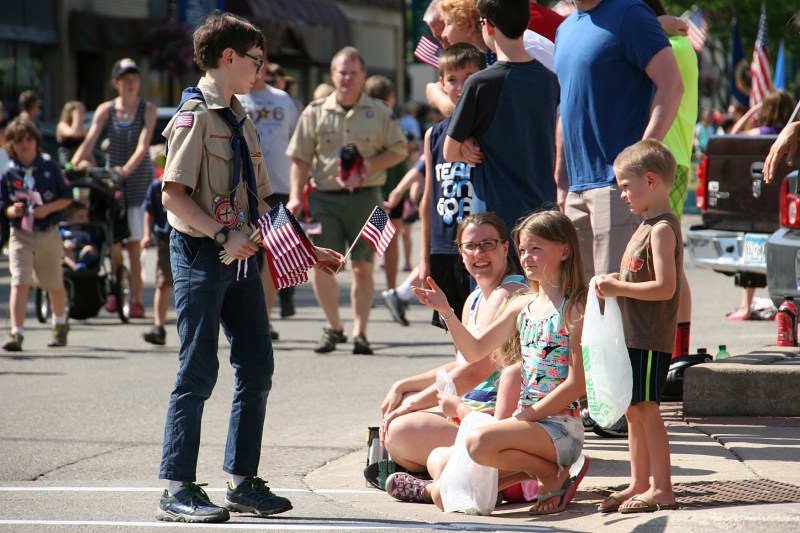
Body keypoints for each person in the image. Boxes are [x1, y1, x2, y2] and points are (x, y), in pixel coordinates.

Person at [155, 11, 343, 523]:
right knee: (198, 370)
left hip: (241, 258)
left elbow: (263, 201)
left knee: (257, 365)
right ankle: (176, 487)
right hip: (201, 254)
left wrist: (305, 249)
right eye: (255, 60)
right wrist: (222, 235)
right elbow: (173, 196)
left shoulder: (241, 117)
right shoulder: (195, 117)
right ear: (228, 57)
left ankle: (242, 482)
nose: (260, 69)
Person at [408, 210, 590, 515]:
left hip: (561, 428)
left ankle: (550, 473)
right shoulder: (521, 305)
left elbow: (576, 383)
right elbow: (475, 350)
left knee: (478, 443)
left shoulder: (575, 307)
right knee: (444, 491)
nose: (526, 257)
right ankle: (538, 474)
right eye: (523, 249)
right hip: (525, 426)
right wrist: (446, 311)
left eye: (536, 248)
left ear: (564, 250)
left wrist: (524, 417)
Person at [379, 212, 528, 485]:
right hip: (468, 410)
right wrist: (404, 386)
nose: (478, 253)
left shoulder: (508, 293)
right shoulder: (474, 298)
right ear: (460, 253)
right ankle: (444, 473)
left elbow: (476, 370)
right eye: (470, 246)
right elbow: (459, 365)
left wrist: (413, 404)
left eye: (488, 244)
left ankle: (453, 477)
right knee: (401, 404)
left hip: (494, 419)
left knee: (400, 429)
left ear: (505, 247)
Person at [286, 46, 407, 355]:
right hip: (324, 199)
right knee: (322, 264)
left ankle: (360, 332)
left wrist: (370, 165)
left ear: (363, 76)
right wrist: (295, 197)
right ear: (333, 74)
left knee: (363, 267)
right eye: (342, 72)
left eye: (354, 73)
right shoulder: (314, 111)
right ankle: (334, 327)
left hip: (366, 198)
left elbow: (399, 149)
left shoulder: (380, 111)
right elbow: (300, 157)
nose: (348, 78)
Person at [554, 0, 683, 281]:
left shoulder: (631, 14)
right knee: (582, 298)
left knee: (618, 297)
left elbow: (672, 85)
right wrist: (561, 179)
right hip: (576, 188)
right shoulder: (565, 29)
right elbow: (566, 107)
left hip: (617, 188)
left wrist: (640, 159)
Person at [594, 139, 681, 513]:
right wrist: (618, 279)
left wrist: (618, 288)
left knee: (646, 408)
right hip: (632, 335)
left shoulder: (661, 229)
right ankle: (639, 481)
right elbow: (641, 276)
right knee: (632, 409)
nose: (622, 194)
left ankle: (662, 488)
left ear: (651, 180)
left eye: (626, 186)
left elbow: (665, 288)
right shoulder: (644, 225)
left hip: (648, 337)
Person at [444, 0, 559, 248]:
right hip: (543, 212)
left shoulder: (480, 83)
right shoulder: (550, 80)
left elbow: (449, 152)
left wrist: (468, 140)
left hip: (493, 219)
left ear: (487, 26)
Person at [71, 58, 157, 319]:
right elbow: (90, 139)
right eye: (125, 79)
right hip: (112, 185)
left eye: (134, 78)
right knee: (113, 243)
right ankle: (117, 292)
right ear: (116, 82)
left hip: (137, 184)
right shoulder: (106, 110)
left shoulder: (147, 109)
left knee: (134, 245)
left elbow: (143, 145)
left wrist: (126, 170)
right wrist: (72, 165)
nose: (131, 83)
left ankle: (137, 299)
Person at [238, 58, 301, 328]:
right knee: (248, 254)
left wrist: (299, 187)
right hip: (244, 190)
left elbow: (297, 142)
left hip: (280, 188)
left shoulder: (283, 99)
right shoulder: (236, 99)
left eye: (260, 64)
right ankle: (250, 317)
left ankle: (266, 318)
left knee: (276, 255)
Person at [0, 118, 73, 351]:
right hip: (20, 233)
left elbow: (67, 196)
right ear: (11, 145)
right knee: (20, 282)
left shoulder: (50, 168)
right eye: (18, 141)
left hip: (47, 232)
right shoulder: (9, 173)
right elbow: (3, 204)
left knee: (54, 284)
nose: (24, 145)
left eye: (28, 140)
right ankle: (16, 332)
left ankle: (60, 324)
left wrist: (47, 209)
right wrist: (11, 210)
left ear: (37, 142)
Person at [726, 89, 796, 321]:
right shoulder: (791, 135)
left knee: (752, 255)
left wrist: (751, 112)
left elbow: (733, 135)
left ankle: (745, 307)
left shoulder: (759, 134)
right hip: (787, 205)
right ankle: (788, 308)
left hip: (760, 204)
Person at [426, 0, 555, 117]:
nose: (444, 34)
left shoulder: (522, 46)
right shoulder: (496, 54)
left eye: (448, 24)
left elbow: (475, 113)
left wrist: (437, 97)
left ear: (470, 25)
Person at [141, 178, 171, 345]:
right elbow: (149, 211)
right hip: (165, 240)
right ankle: (159, 327)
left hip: (192, 238)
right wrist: (147, 235)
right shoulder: (156, 186)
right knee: (163, 283)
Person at [61, 201, 99, 271]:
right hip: (69, 254)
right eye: (80, 217)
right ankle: (74, 266)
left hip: (83, 253)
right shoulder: (64, 231)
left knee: (89, 248)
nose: (85, 220)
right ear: (69, 218)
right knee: (64, 249)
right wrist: (65, 244)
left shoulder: (88, 232)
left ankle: (83, 266)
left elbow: (95, 245)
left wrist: (91, 248)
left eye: (87, 216)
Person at [56, 101, 90, 167]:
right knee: (69, 168)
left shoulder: (82, 128)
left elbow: (86, 145)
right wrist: (76, 118)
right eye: (81, 112)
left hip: (79, 159)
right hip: (67, 160)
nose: (84, 115)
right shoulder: (62, 125)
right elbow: (74, 133)